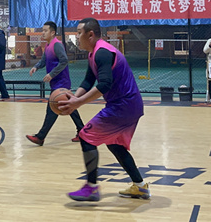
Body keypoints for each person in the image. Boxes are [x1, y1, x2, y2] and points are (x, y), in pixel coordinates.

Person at [58, 18, 150, 202]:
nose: (76, 36)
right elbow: (88, 80)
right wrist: (75, 97)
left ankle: (91, 188)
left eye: (79, 32)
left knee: (85, 137)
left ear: (90, 35)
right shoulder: (95, 53)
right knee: (114, 144)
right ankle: (140, 186)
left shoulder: (102, 53)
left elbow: (105, 84)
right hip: (128, 105)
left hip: (123, 106)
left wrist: (78, 102)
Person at [26, 21, 83, 146]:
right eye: (42, 30)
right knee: (70, 107)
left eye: (45, 30)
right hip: (56, 83)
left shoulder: (57, 45)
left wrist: (52, 74)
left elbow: (64, 61)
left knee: (52, 109)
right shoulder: (48, 46)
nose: (43, 33)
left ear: (52, 33)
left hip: (61, 83)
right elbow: (44, 60)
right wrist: (36, 67)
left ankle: (40, 137)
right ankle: (82, 132)